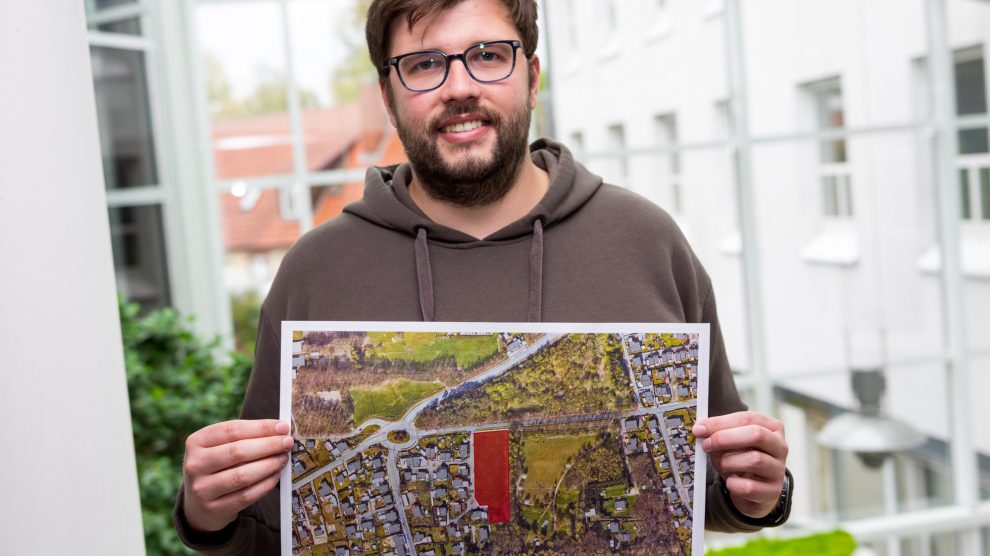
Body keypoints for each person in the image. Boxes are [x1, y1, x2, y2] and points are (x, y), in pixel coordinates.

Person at [174, 0, 792, 553]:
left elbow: (707, 488)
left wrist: (756, 493)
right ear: (389, 97)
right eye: (423, 65)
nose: (459, 87)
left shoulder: (648, 240)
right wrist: (206, 514)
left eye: (488, 55)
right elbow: (266, 523)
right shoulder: (314, 270)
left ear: (532, 76)